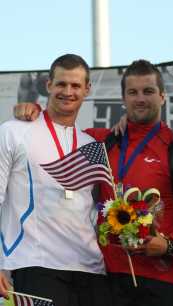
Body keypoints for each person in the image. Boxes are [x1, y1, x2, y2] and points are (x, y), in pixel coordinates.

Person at [13, 59, 173, 306]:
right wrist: (32, 111)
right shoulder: (99, 142)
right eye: (132, 92)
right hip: (110, 280)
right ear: (123, 98)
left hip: (165, 279)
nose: (140, 99)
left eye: (148, 91)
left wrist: (170, 246)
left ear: (162, 96)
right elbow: (59, 129)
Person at [0, 54, 111, 306]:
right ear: (48, 85)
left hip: (90, 269)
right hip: (34, 264)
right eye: (61, 84)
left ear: (87, 90)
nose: (68, 92)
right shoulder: (13, 131)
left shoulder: (91, 144)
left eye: (75, 86)